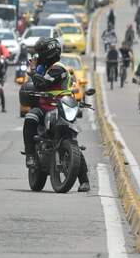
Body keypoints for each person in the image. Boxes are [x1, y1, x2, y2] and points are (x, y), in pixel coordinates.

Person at [22, 37, 90, 192]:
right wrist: (33, 70)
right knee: (30, 117)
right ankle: (31, 154)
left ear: (47, 53)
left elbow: (42, 83)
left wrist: (32, 71)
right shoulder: (43, 68)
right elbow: (33, 82)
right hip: (44, 106)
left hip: (61, 106)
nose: (38, 57)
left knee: (71, 139)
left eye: (40, 53)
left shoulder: (57, 68)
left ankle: (84, 180)